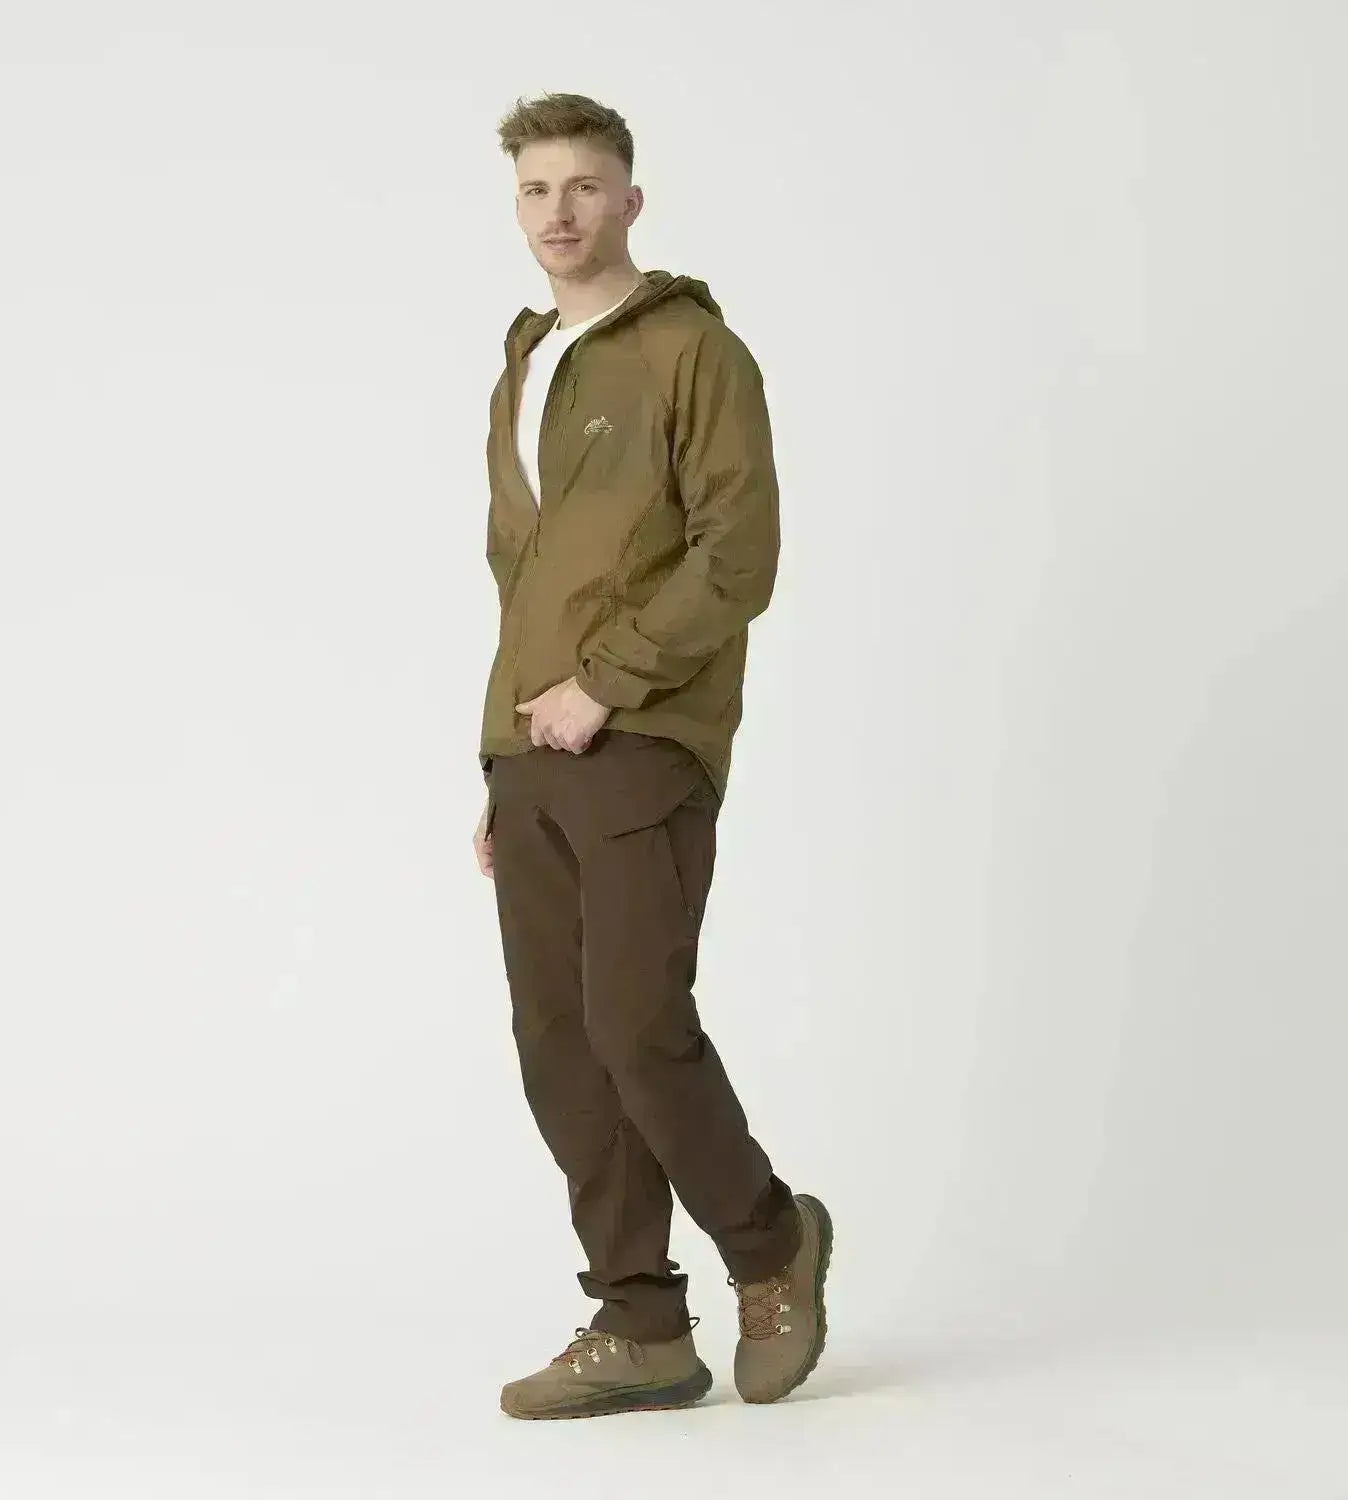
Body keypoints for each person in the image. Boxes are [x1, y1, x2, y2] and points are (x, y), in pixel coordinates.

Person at [472, 91, 832, 1421]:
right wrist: (496, 761)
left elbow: (739, 555)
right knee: (560, 1045)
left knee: (636, 1026)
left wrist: (605, 686)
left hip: (645, 737)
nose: (558, 211)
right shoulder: (526, 362)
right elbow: (520, 577)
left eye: (583, 186)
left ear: (630, 199)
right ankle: (640, 1326)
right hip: (534, 748)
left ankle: (770, 1245)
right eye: (535, 190)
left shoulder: (695, 352)